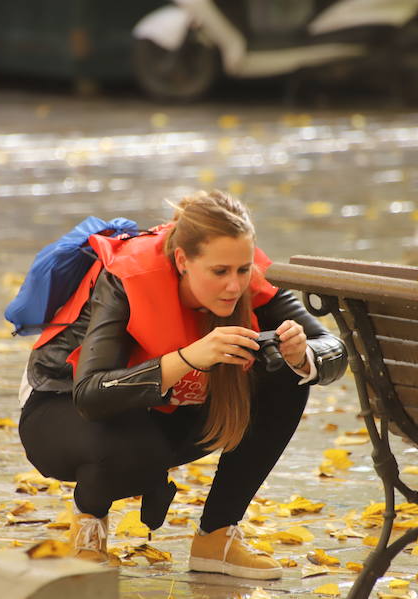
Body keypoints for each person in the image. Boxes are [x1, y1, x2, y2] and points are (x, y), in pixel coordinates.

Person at [18, 190, 346, 580]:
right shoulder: (129, 277)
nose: (234, 285)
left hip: (157, 413)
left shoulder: (245, 275)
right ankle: (89, 527)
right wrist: (190, 357)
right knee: (135, 453)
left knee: (286, 378)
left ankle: (217, 537)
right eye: (219, 272)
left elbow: (335, 350)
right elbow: (90, 395)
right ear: (182, 261)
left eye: (243, 270)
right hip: (61, 409)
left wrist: (300, 355)